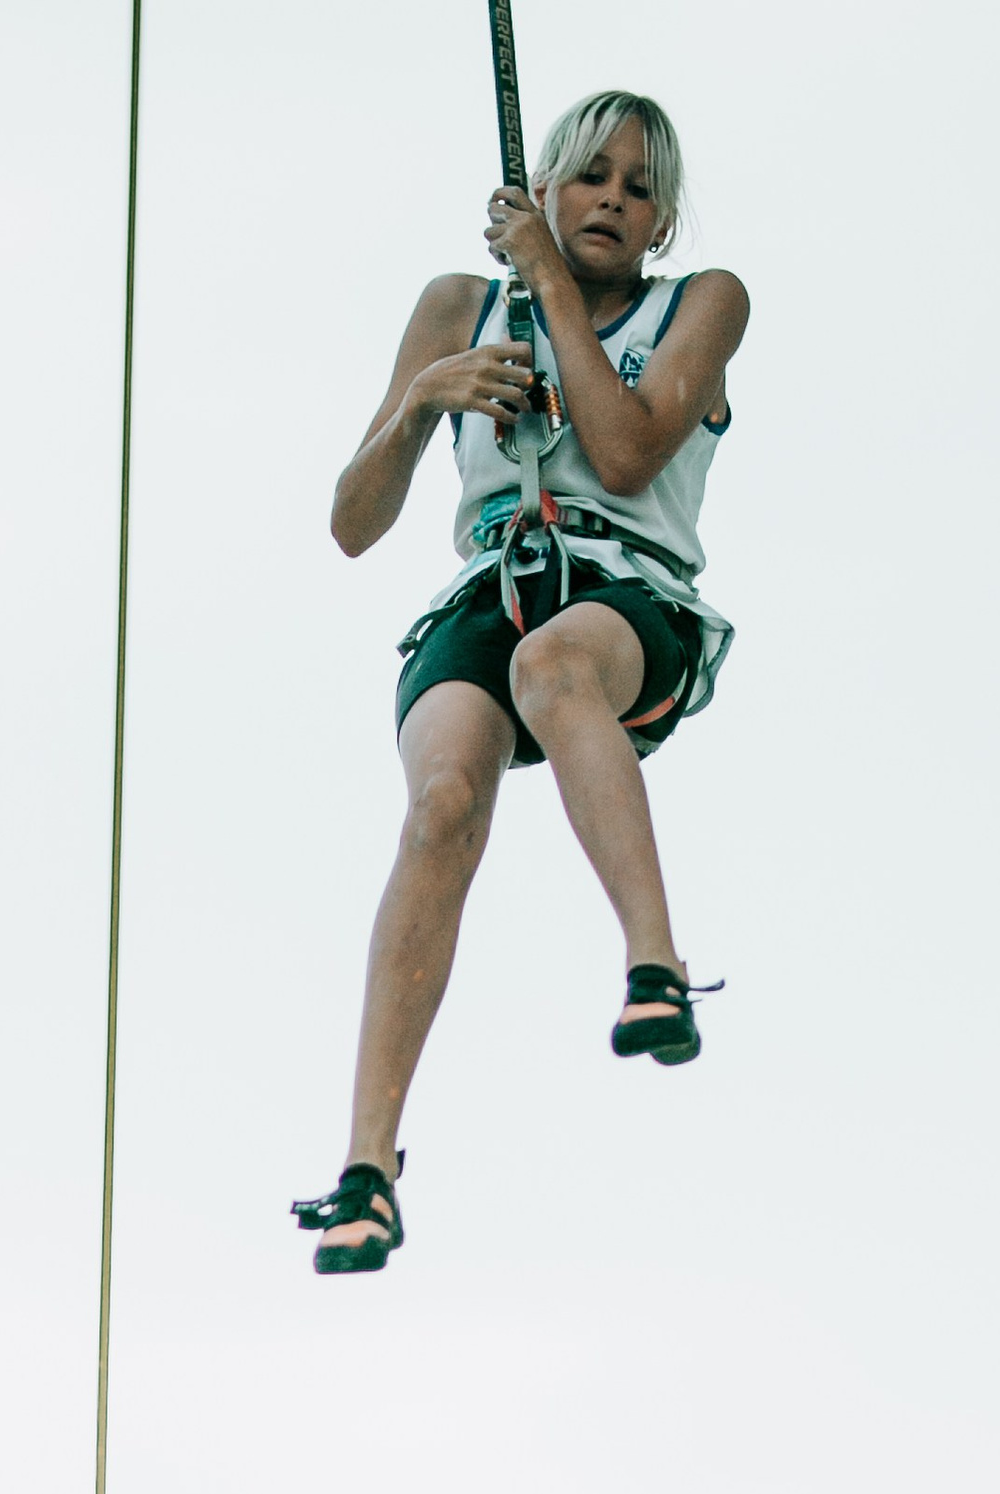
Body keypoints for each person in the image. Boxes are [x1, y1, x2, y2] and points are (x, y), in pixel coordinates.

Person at [292, 90, 749, 1276]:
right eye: (591, 175)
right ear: (544, 182)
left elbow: (630, 447)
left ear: (661, 224)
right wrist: (419, 403)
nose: (612, 199)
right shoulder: (457, 306)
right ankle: (367, 1168)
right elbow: (351, 523)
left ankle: (654, 962)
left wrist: (549, 281)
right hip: (490, 584)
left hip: (621, 594)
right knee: (440, 801)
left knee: (555, 667)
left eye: (639, 189)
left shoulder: (702, 304)